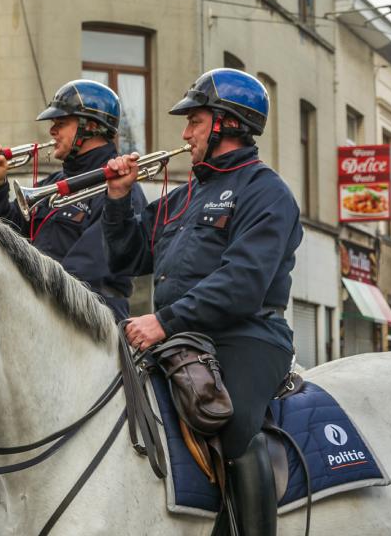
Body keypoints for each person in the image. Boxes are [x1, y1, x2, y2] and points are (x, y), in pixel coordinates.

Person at [102, 68, 302, 536]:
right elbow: (127, 259)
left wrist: (164, 321)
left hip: (248, 336)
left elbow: (243, 282)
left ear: (226, 124)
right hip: (180, 335)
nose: (185, 133)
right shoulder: (181, 197)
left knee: (234, 429)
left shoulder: (266, 191)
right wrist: (117, 199)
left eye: (194, 121)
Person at [0, 80, 147, 321]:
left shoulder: (120, 190)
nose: (52, 131)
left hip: (88, 325)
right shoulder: (53, 183)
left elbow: (89, 272)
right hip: (40, 314)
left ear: (91, 127)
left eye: (61, 123)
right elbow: (9, 235)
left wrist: (22, 290)